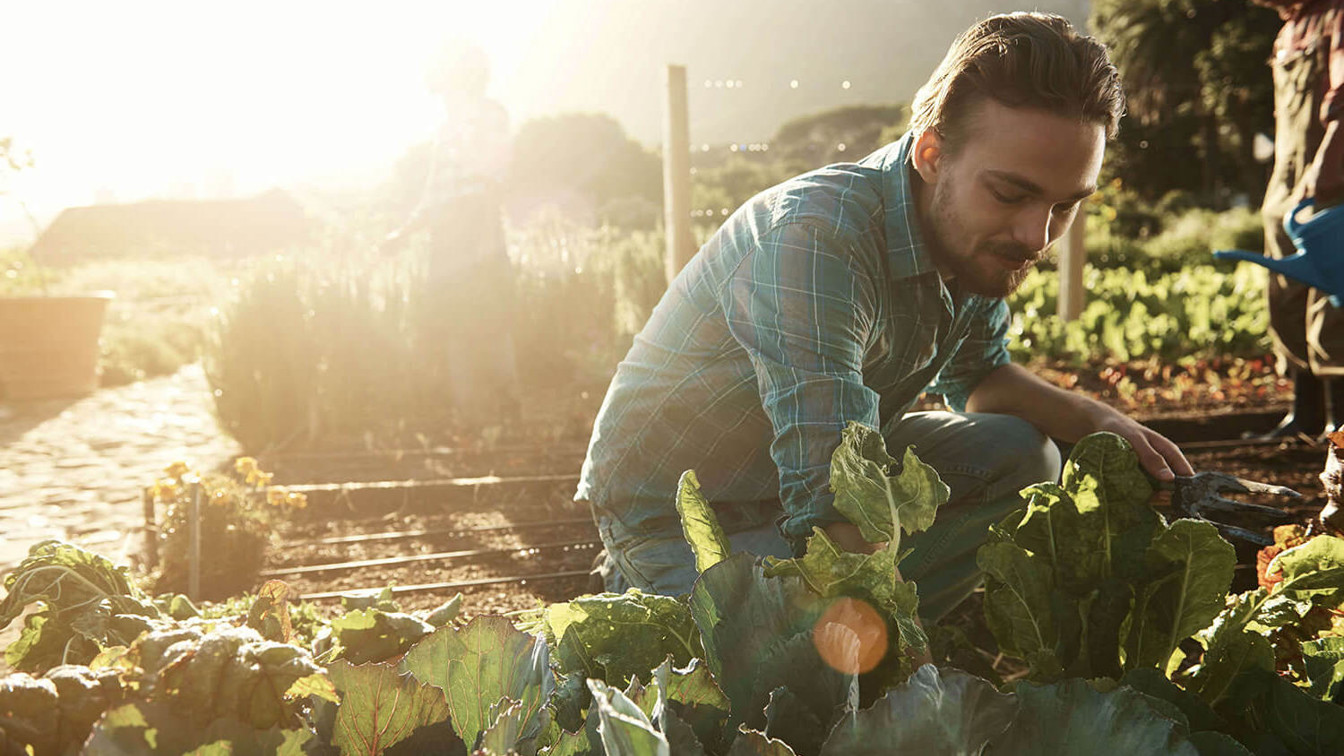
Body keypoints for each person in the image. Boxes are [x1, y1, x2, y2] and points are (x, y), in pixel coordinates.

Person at [576, 12, 1194, 624]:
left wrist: (1102, 420)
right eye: (1011, 194)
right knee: (760, 685)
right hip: (686, 517)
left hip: (806, 485)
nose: (1036, 235)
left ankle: (861, 641)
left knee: (1023, 456)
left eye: (1065, 206)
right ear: (931, 154)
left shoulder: (973, 240)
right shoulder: (816, 237)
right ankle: (649, 589)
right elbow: (831, 494)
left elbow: (980, 379)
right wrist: (885, 641)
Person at [383, 40, 520, 434]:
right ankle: (472, 422)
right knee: (455, 326)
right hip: (448, 237)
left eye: (444, 82)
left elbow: (492, 179)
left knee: (491, 322)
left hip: (476, 230)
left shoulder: (489, 116)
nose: (439, 91)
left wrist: (481, 241)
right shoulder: (446, 129)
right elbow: (434, 195)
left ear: (463, 79)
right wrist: (402, 234)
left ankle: (506, 419)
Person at [1250, 0, 1344, 440]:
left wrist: (1326, 166)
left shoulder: (1336, 15)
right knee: (1285, 293)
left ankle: (1337, 421)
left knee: (1331, 296)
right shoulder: (1287, 30)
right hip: (1286, 181)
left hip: (1331, 174)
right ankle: (1302, 415)